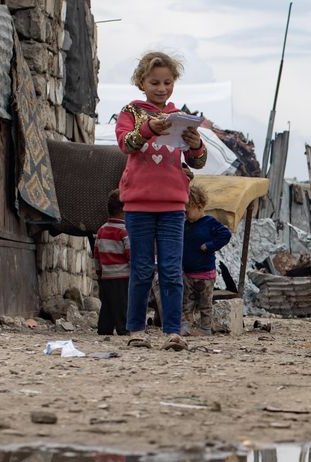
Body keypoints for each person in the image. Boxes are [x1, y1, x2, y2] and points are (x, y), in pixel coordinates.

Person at [115, 51, 207, 351]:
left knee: (170, 269)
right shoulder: (131, 113)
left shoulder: (180, 116)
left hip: (172, 205)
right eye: (155, 82)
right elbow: (126, 144)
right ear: (141, 82)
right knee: (141, 269)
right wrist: (149, 128)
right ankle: (137, 331)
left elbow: (198, 162)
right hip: (139, 205)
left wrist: (196, 145)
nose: (161, 88)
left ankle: (172, 332)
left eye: (167, 82)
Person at [181, 184, 232, 336]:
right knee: (187, 303)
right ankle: (186, 327)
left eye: (187, 211)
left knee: (205, 304)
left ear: (199, 206)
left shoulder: (209, 222)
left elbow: (226, 234)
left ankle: (205, 328)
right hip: (188, 273)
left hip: (205, 274)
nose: (185, 214)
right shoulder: (185, 225)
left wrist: (210, 245)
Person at [95, 189, 131, 336]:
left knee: (107, 304)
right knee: (122, 304)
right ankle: (123, 328)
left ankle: (104, 328)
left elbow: (96, 255)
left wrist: (99, 272)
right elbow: (130, 254)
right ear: (124, 210)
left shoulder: (101, 230)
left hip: (106, 275)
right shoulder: (124, 231)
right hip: (122, 275)